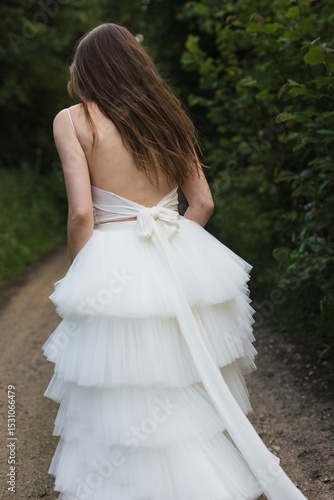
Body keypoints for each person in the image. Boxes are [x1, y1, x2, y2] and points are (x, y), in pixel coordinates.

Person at [42, 23, 308, 500]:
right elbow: (201, 203)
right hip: (177, 258)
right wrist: (177, 248)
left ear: (88, 71)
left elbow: (83, 212)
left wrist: (80, 274)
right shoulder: (166, 116)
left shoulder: (74, 120)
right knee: (185, 387)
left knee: (124, 391)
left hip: (110, 263)